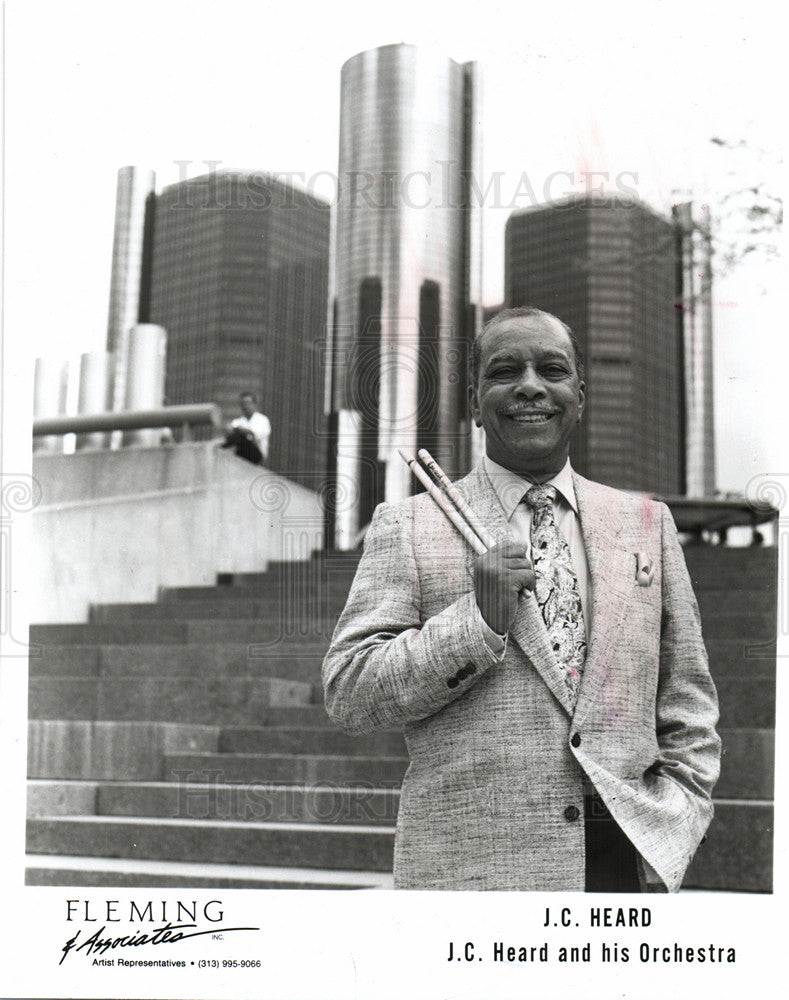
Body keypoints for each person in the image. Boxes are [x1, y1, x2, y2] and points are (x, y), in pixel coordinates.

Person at [322, 306, 721, 892]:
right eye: (505, 370)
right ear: (473, 401)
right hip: (471, 876)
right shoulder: (407, 525)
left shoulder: (647, 524)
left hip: (623, 867)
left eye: (552, 370)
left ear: (579, 395)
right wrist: (476, 621)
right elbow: (349, 693)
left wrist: (680, 819)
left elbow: (688, 695)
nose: (530, 385)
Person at [220, 392, 271, 466]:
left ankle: (221, 449)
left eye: (248, 403)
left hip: (256, 455)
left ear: (254, 404)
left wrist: (238, 429)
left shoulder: (262, 420)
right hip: (242, 454)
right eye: (243, 404)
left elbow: (254, 435)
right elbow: (229, 431)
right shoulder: (238, 421)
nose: (245, 406)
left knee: (239, 437)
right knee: (233, 438)